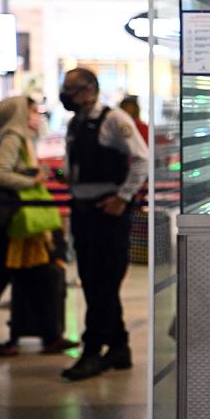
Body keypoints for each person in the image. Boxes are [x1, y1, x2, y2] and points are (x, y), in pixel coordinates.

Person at [58, 67, 149, 381]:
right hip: (83, 210)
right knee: (93, 280)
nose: (66, 94)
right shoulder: (75, 124)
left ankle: (92, 351)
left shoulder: (114, 120)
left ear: (89, 89)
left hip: (107, 212)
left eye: (71, 88)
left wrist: (123, 197)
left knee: (104, 282)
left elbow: (142, 159)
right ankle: (120, 347)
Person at [0, 96, 75, 356]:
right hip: (11, 224)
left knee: (41, 274)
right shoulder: (13, 137)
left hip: (25, 225)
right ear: (19, 113)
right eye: (31, 110)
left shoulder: (23, 138)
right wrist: (32, 180)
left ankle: (50, 335)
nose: (36, 115)